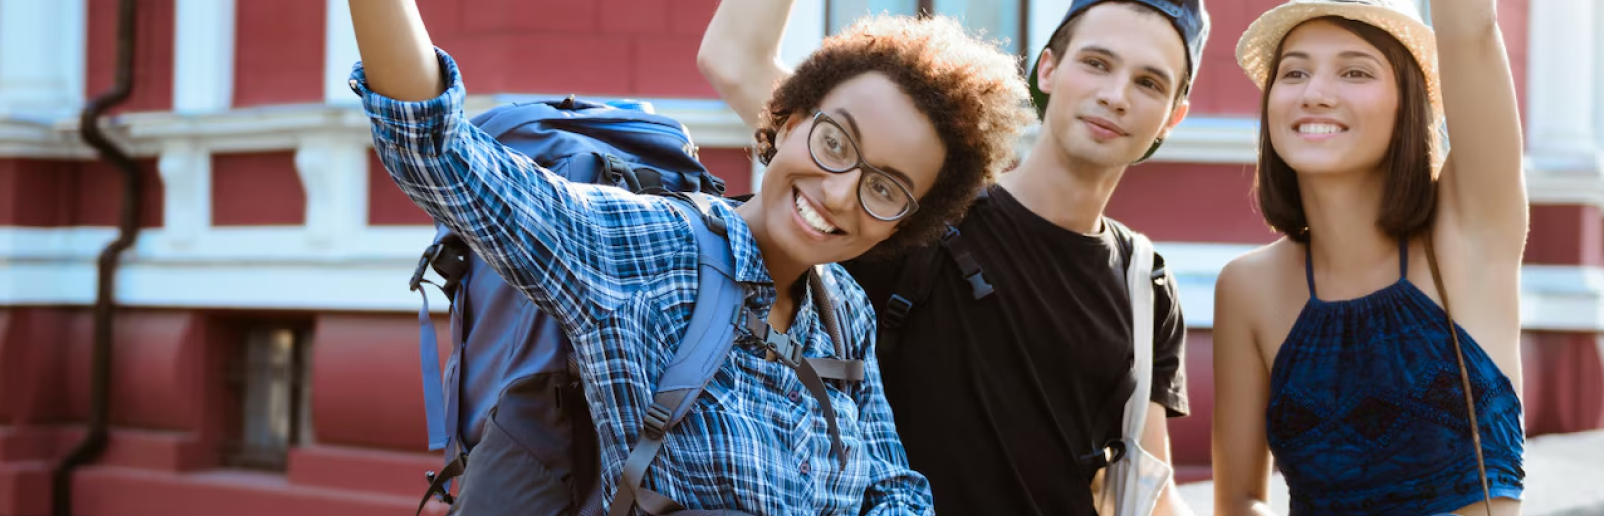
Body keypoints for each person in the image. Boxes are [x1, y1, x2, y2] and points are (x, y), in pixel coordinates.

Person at [344, 0, 1032, 513]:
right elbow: (437, 154)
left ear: (907, 224)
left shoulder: (844, 308)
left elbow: (889, 484)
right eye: (834, 143)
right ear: (788, 121)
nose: (840, 191)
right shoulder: (651, 251)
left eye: (884, 188)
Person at [699, 1, 1208, 515]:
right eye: (1096, 63)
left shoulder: (1144, 283)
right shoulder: (903, 208)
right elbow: (736, 62)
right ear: (1048, 68)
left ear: (1174, 115)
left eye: (1149, 83)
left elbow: (1152, 497)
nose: (1115, 95)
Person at [1209, 0, 1529, 515]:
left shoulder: (1469, 235)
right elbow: (1240, 501)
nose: (1315, 94)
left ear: (1409, 101)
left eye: (1355, 71)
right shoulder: (1248, 287)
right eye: (1294, 72)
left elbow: (1471, 29)